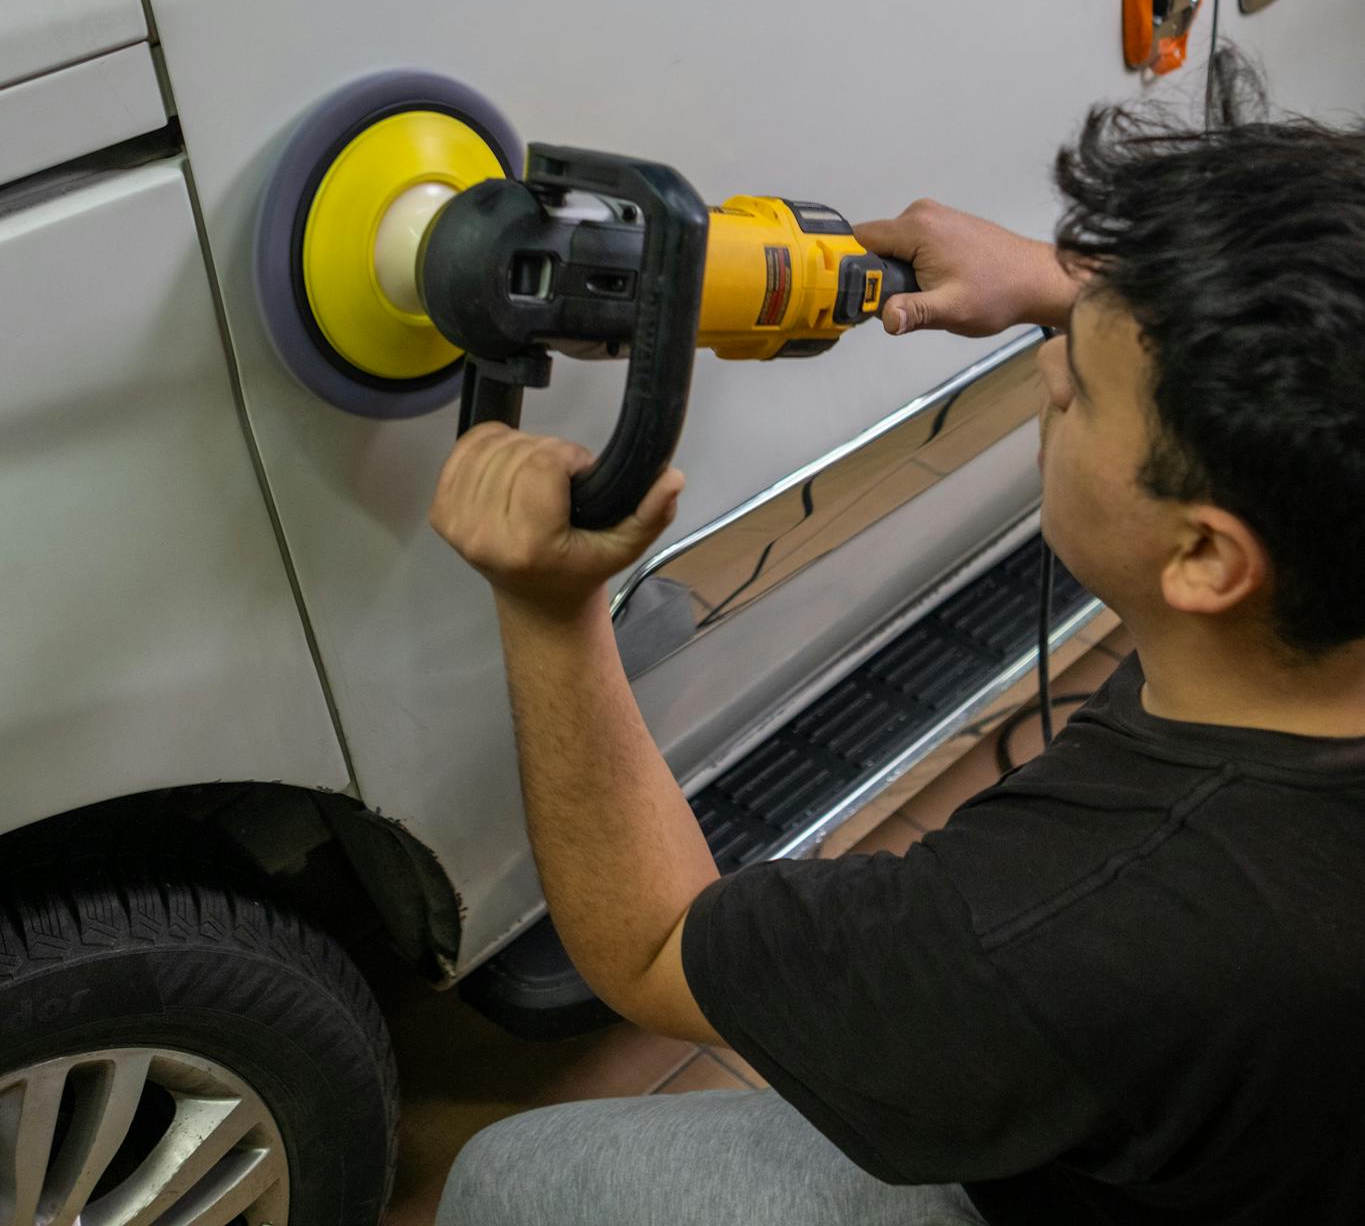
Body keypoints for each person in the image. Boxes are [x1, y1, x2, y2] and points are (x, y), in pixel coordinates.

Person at [431, 70, 1365, 1224]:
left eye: (1079, 389)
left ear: (1209, 560)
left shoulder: (1067, 928)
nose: (1046, 366)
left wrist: (548, 608)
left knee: (508, 1181)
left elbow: (654, 942)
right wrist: (1063, 285)